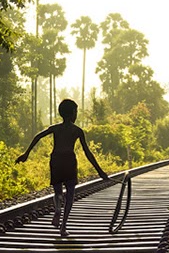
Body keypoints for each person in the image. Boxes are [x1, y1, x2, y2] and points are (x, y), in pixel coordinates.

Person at [16, 99, 109, 236]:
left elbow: (38, 137)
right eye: (76, 112)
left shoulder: (55, 128)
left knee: (58, 191)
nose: (76, 115)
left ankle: (58, 209)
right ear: (72, 113)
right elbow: (87, 152)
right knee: (70, 194)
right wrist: (100, 171)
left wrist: (26, 153)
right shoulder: (77, 131)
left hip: (56, 160)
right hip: (69, 161)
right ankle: (63, 226)